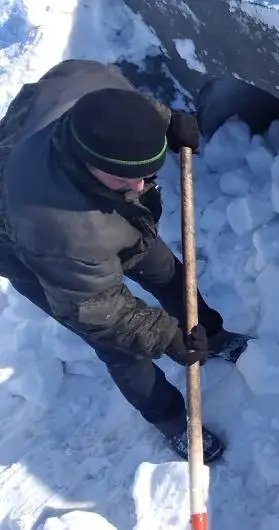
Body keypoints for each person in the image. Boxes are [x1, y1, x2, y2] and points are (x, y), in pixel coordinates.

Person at [0, 58, 250, 463]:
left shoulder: (91, 84)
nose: (140, 186)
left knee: (167, 273)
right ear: (88, 162)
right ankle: (172, 421)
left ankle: (213, 335)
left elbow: (128, 108)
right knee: (121, 348)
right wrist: (166, 336)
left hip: (100, 210)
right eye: (126, 179)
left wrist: (166, 123)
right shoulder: (55, 226)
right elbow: (95, 309)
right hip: (30, 253)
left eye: (149, 175)